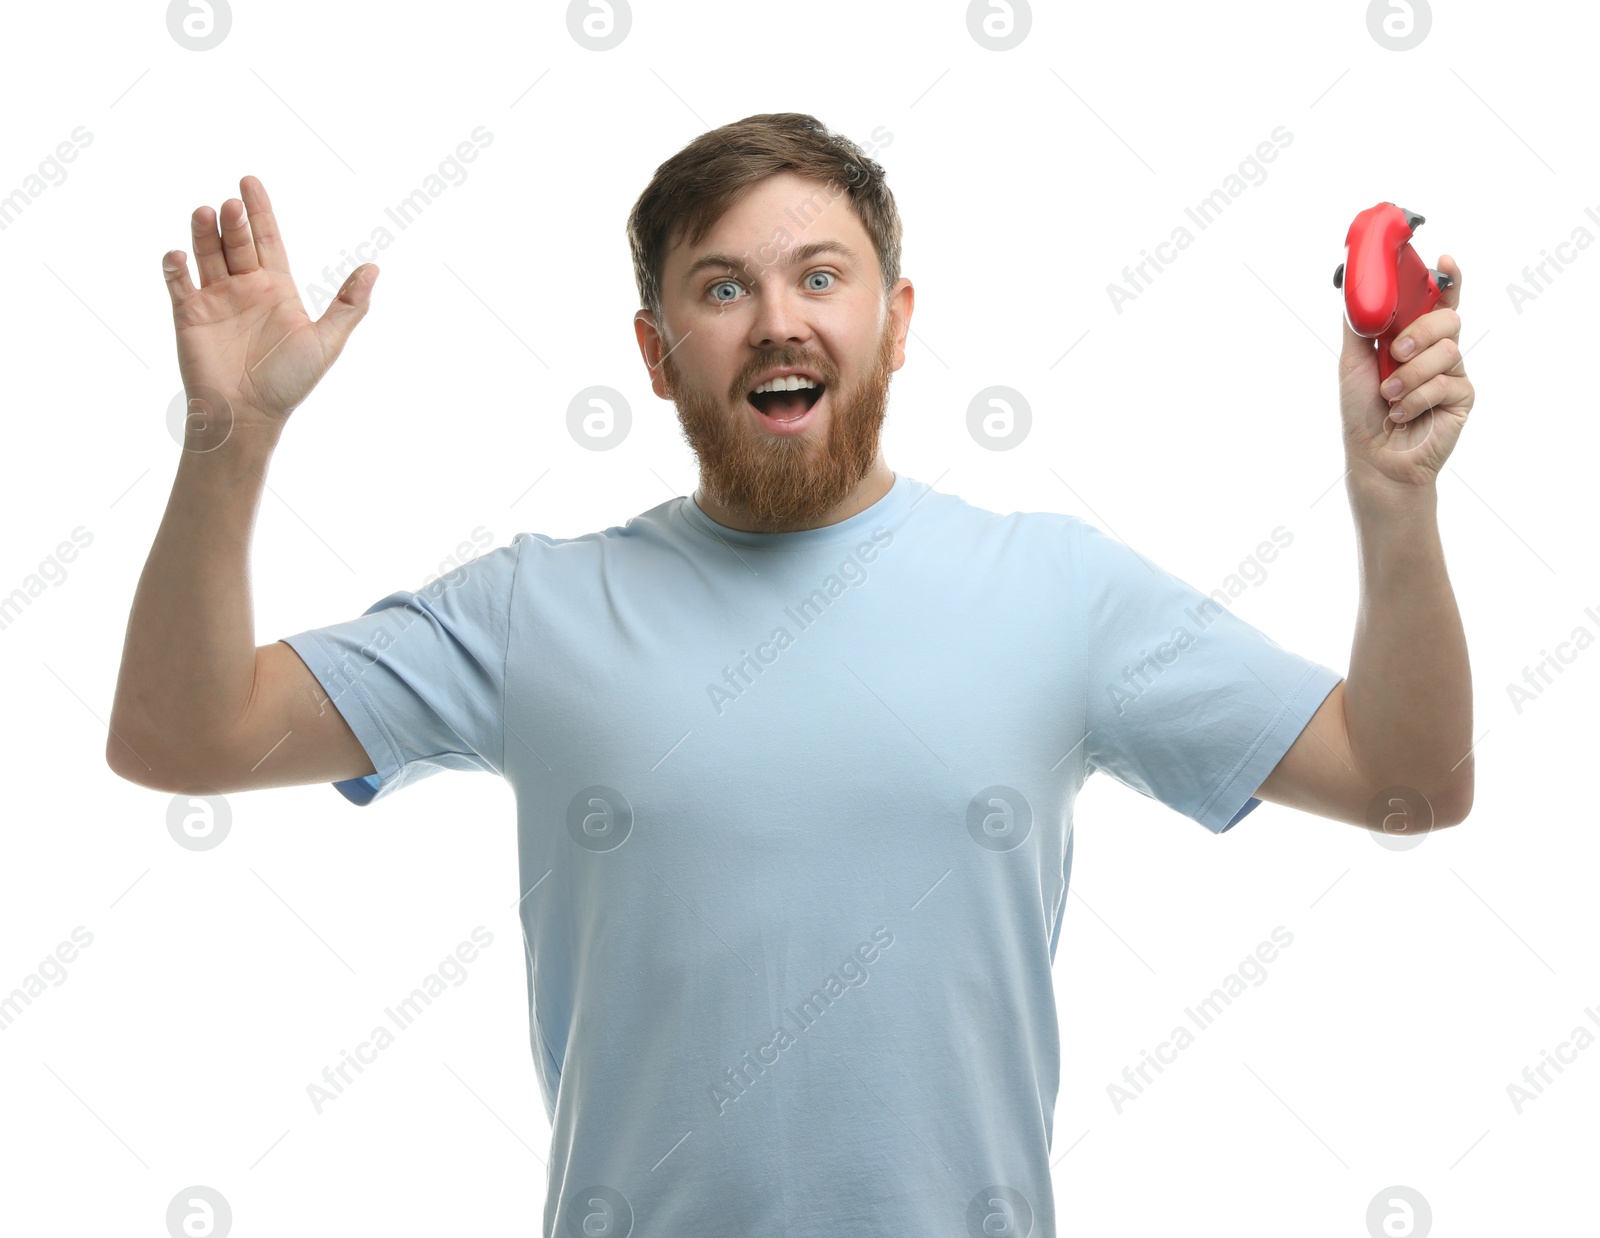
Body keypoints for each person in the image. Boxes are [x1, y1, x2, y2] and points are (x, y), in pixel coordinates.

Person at [107, 112, 1475, 1238]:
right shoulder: (535, 609)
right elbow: (184, 737)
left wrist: (1393, 503)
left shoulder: (1058, 591)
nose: (778, 319)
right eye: (722, 286)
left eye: (822, 276)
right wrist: (227, 439)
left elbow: (1404, 779)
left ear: (896, 320)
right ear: (654, 352)